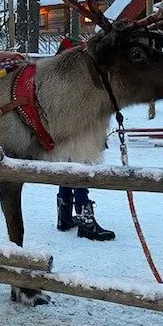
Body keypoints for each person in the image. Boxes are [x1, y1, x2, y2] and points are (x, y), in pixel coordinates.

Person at [55, 36, 116, 241]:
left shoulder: (56, 78)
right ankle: (86, 223)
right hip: (79, 133)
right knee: (79, 169)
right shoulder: (77, 81)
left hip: (62, 133)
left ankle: (64, 217)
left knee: (68, 168)